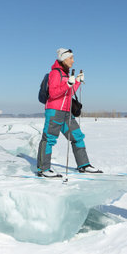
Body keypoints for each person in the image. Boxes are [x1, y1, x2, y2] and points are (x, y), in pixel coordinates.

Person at [36, 48, 103, 178]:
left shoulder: (65, 74)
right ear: (63, 59)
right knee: (49, 139)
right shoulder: (55, 73)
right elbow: (54, 94)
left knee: (77, 136)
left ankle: (84, 165)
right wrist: (68, 84)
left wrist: (76, 82)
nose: (73, 60)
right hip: (55, 111)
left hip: (67, 112)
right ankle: (43, 169)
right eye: (71, 58)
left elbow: (69, 93)